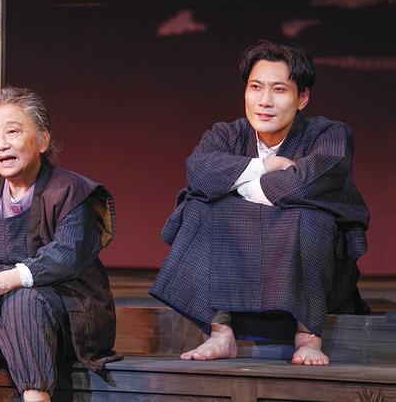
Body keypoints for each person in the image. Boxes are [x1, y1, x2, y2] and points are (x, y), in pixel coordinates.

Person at [150, 40, 370, 366]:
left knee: (311, 216)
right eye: (256, 87)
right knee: (198, 207)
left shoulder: (329, 134)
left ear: (302, 98)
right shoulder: (226, 134)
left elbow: (305, 182)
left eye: (279, 90)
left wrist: (238, 187)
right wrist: (264, 166)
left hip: (311, 267)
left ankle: (308, 336)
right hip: (238, 265)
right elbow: (199, 172)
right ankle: (220, 332)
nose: (264, 101)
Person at [0, 87, 121, 402]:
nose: (1, 144)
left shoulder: (71, 191)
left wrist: (3, 282)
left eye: (12, 132)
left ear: (42, 140)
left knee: (22, 300)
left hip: (64, 317)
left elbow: (66, 256)